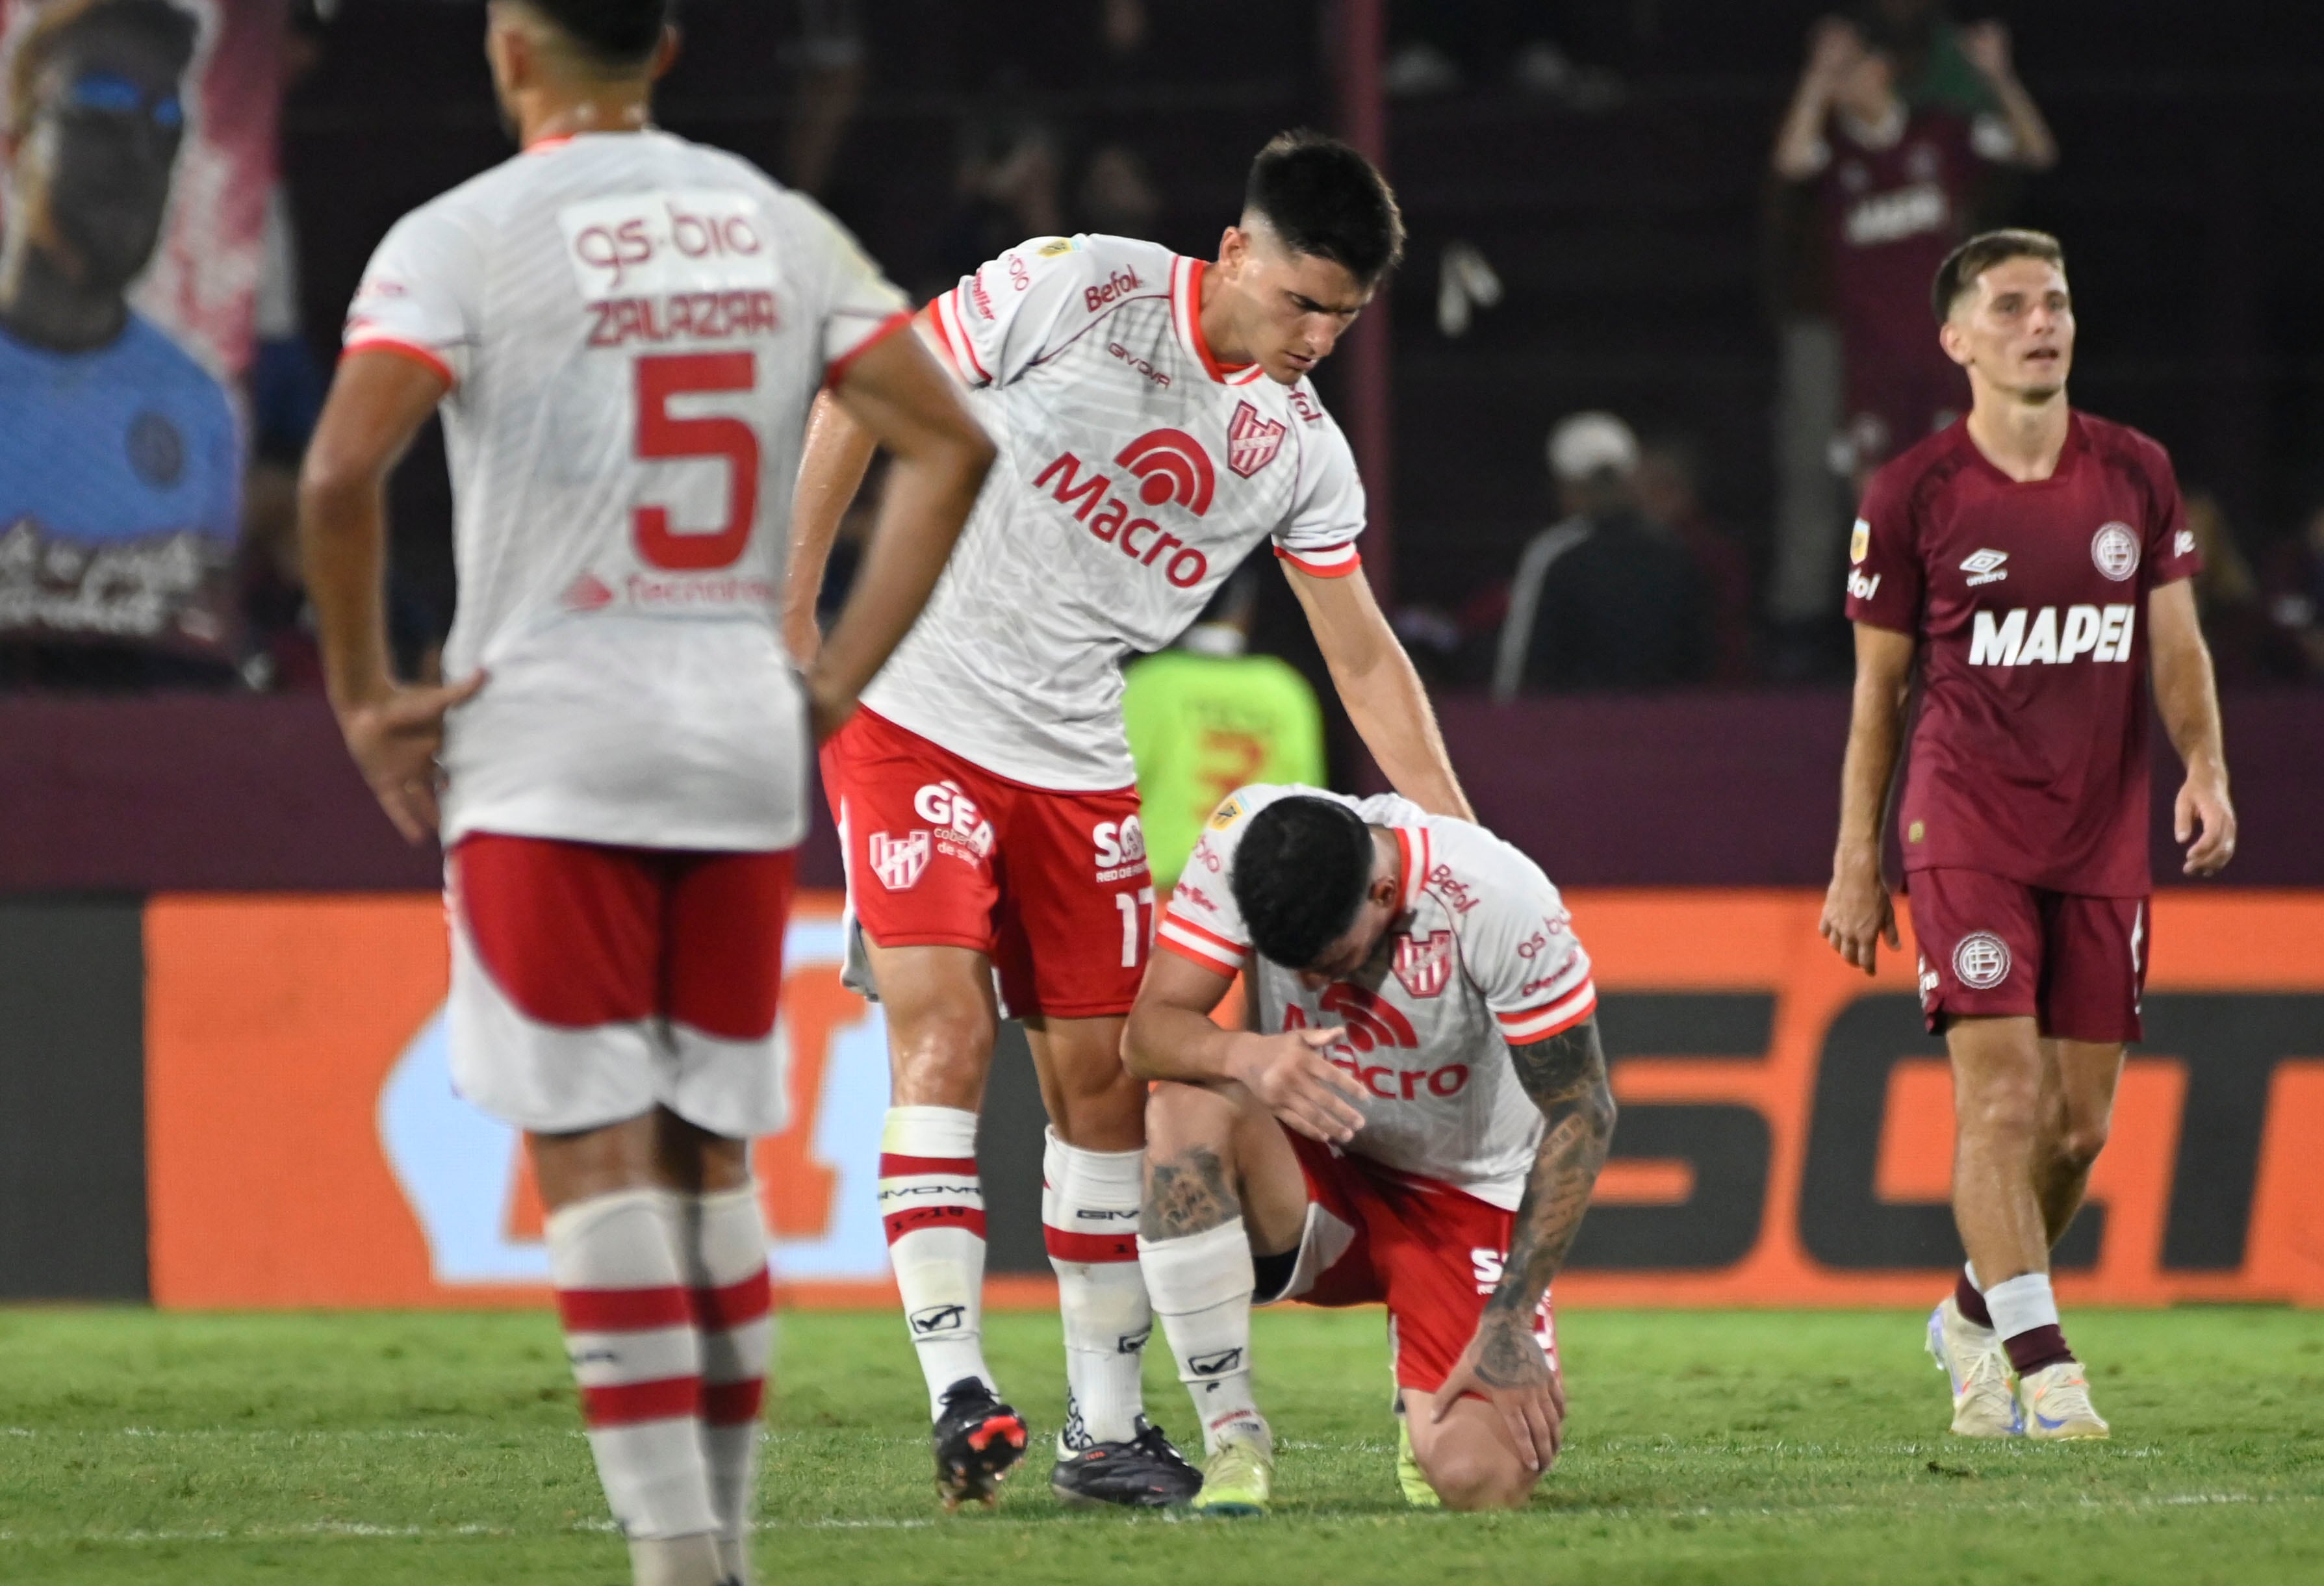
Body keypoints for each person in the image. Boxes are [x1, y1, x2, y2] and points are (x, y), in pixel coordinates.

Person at [296, 5, 991, 1583]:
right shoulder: (783, 226)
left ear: (513, 49)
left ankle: (678, 1562)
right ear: (666, 51)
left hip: (549, 740)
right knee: (711, 1152)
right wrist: (829, 674)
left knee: (594, 1156)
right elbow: (944, 445)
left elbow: (340, 475)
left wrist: (360, 694)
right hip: (735, 742)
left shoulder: (459, 235)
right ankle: (725, 1548)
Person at [785, 129, 1471, 1511]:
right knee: (945, 1024)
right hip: (912, 700)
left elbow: (1363, 656)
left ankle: (1104, 1429)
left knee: (1104, 1086)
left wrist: (1464, 841)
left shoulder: (1300, 451)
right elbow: (865, 391)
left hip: (1077, 755)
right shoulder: (1080, 284)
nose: (1319, 336)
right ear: (1234, 250)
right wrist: (796, 606)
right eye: (1300, 301)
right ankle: (961, 1388)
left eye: (1344, 314)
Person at [1820, 229, 2235, 1444]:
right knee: (1997, 1101)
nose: (2039, 323)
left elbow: (2173, 643)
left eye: (2053, 301)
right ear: (1955, 340)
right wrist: (1858, 856)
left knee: (2076, 1128)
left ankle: (1970, 1311)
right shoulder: (1912, 495)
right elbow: (1878, 699)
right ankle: (2045, 1369)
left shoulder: (2136, 472)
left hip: (2101, 836)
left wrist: (2203, 764)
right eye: (2008, 307)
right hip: (1963, 827)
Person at [1125, 786, 1613, 1513]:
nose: (1317, 983)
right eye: (1295, 967)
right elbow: (1146, 1033)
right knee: (1178, 1114)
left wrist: (1510, 1315)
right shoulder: (1247, 844)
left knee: (1479, 1479)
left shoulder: (1498, 897)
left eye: (1332, 959)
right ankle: (1233, 1434)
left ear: (1385, 892)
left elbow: (1581, 1110)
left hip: (1465, 1197)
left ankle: (1423, 1362)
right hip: (1314, 1169)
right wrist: (1245, 1052)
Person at [0, 0, 240, 687]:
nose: (138, 153)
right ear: (16, 146)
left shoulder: (196, 403)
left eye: (166, 126)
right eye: (99, 108)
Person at [1772, 17, 2055, 485]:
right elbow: (1790, 163)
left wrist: (1999, 78)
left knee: (1958, 493)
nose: (1838, 77)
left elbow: (2036, 151)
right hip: (1869, 362)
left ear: (1881, 68)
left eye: (1849, 66)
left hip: (1943, 352)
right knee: (1876, 502)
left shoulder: (1940, 133)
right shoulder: (1836, 152)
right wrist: (1815, 77)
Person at [1121, 567, 1325, 895]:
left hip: (1164, 905)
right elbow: (1309, 811)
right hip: (1258, 908)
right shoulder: (1286, 691)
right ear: (1244, 610)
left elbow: (1102, 799)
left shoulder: (1147, 683)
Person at [1492, 411, 1708, 697]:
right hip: (1661, 732)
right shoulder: (1675, 552)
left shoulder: (1554, 553)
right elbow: (1699, 665)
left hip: (1572, 732)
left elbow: (1518, 673)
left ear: (1568, 488)